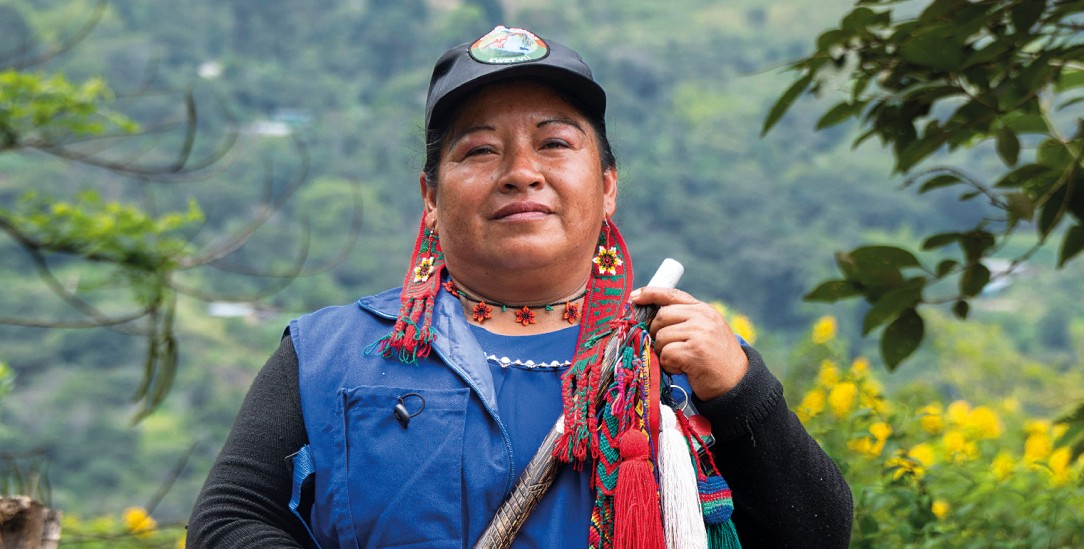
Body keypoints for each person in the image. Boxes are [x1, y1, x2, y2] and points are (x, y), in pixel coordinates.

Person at [187, 25, 853, 548]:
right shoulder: (327, 353)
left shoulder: (681, 357)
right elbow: (226, 523)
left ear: (608, 185)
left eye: (555, 143)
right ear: (429, 195)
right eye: (479, 150)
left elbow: (818, 535)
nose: (520, 172)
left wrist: (743, 391)